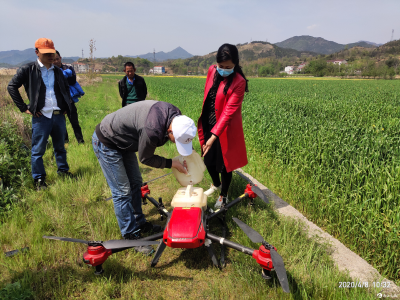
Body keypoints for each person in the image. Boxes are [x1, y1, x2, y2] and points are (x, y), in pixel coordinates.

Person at [92, 100, 195, 255]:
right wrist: (171, 163)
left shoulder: (178, 119)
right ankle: (130, 235)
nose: (176, 144)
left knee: (136, 182)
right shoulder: (152, 129)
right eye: (177, 141)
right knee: (122, 191)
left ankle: (139, 222)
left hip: (125, 142)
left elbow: (184, 136)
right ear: (170, 131)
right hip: (107, 142)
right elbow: (146, 158)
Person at [7, 38, 75, 190]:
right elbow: (12, 86)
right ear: (37, 52)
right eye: (46, 53)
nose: (50, 56)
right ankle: (39, 180)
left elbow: (64, 89)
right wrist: (23, 107)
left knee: (60, 147)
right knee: (38, 150)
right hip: (41, 117)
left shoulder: (58, 71)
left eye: (52, 52)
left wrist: (66, 106)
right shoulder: (28, 69)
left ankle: (63, 171)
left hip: (58, 116)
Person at [198, 43, 249, 208]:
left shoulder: (239, 82)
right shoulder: (212, 70)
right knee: (208, 160)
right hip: (208, 123)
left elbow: (228, 112)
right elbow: (209, 95)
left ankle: (223, 195)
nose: (223, 69)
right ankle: (216, 184)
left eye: (228, 67)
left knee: (225, 164)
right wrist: (208, 131)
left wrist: (214, 137)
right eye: (221, 66)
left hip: (225, 129)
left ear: (235, 63)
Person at [53, 50, 85, 144]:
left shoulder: (68, 68)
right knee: (61, 124)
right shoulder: (50, 71)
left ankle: (80, 141)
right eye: (53, 60)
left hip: (69, 101)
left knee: (75, 122)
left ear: (60, 58)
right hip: (57, 102)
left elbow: (72, 80)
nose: (56, 61)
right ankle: (65, 141)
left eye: (57, 59)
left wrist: (61, 77)